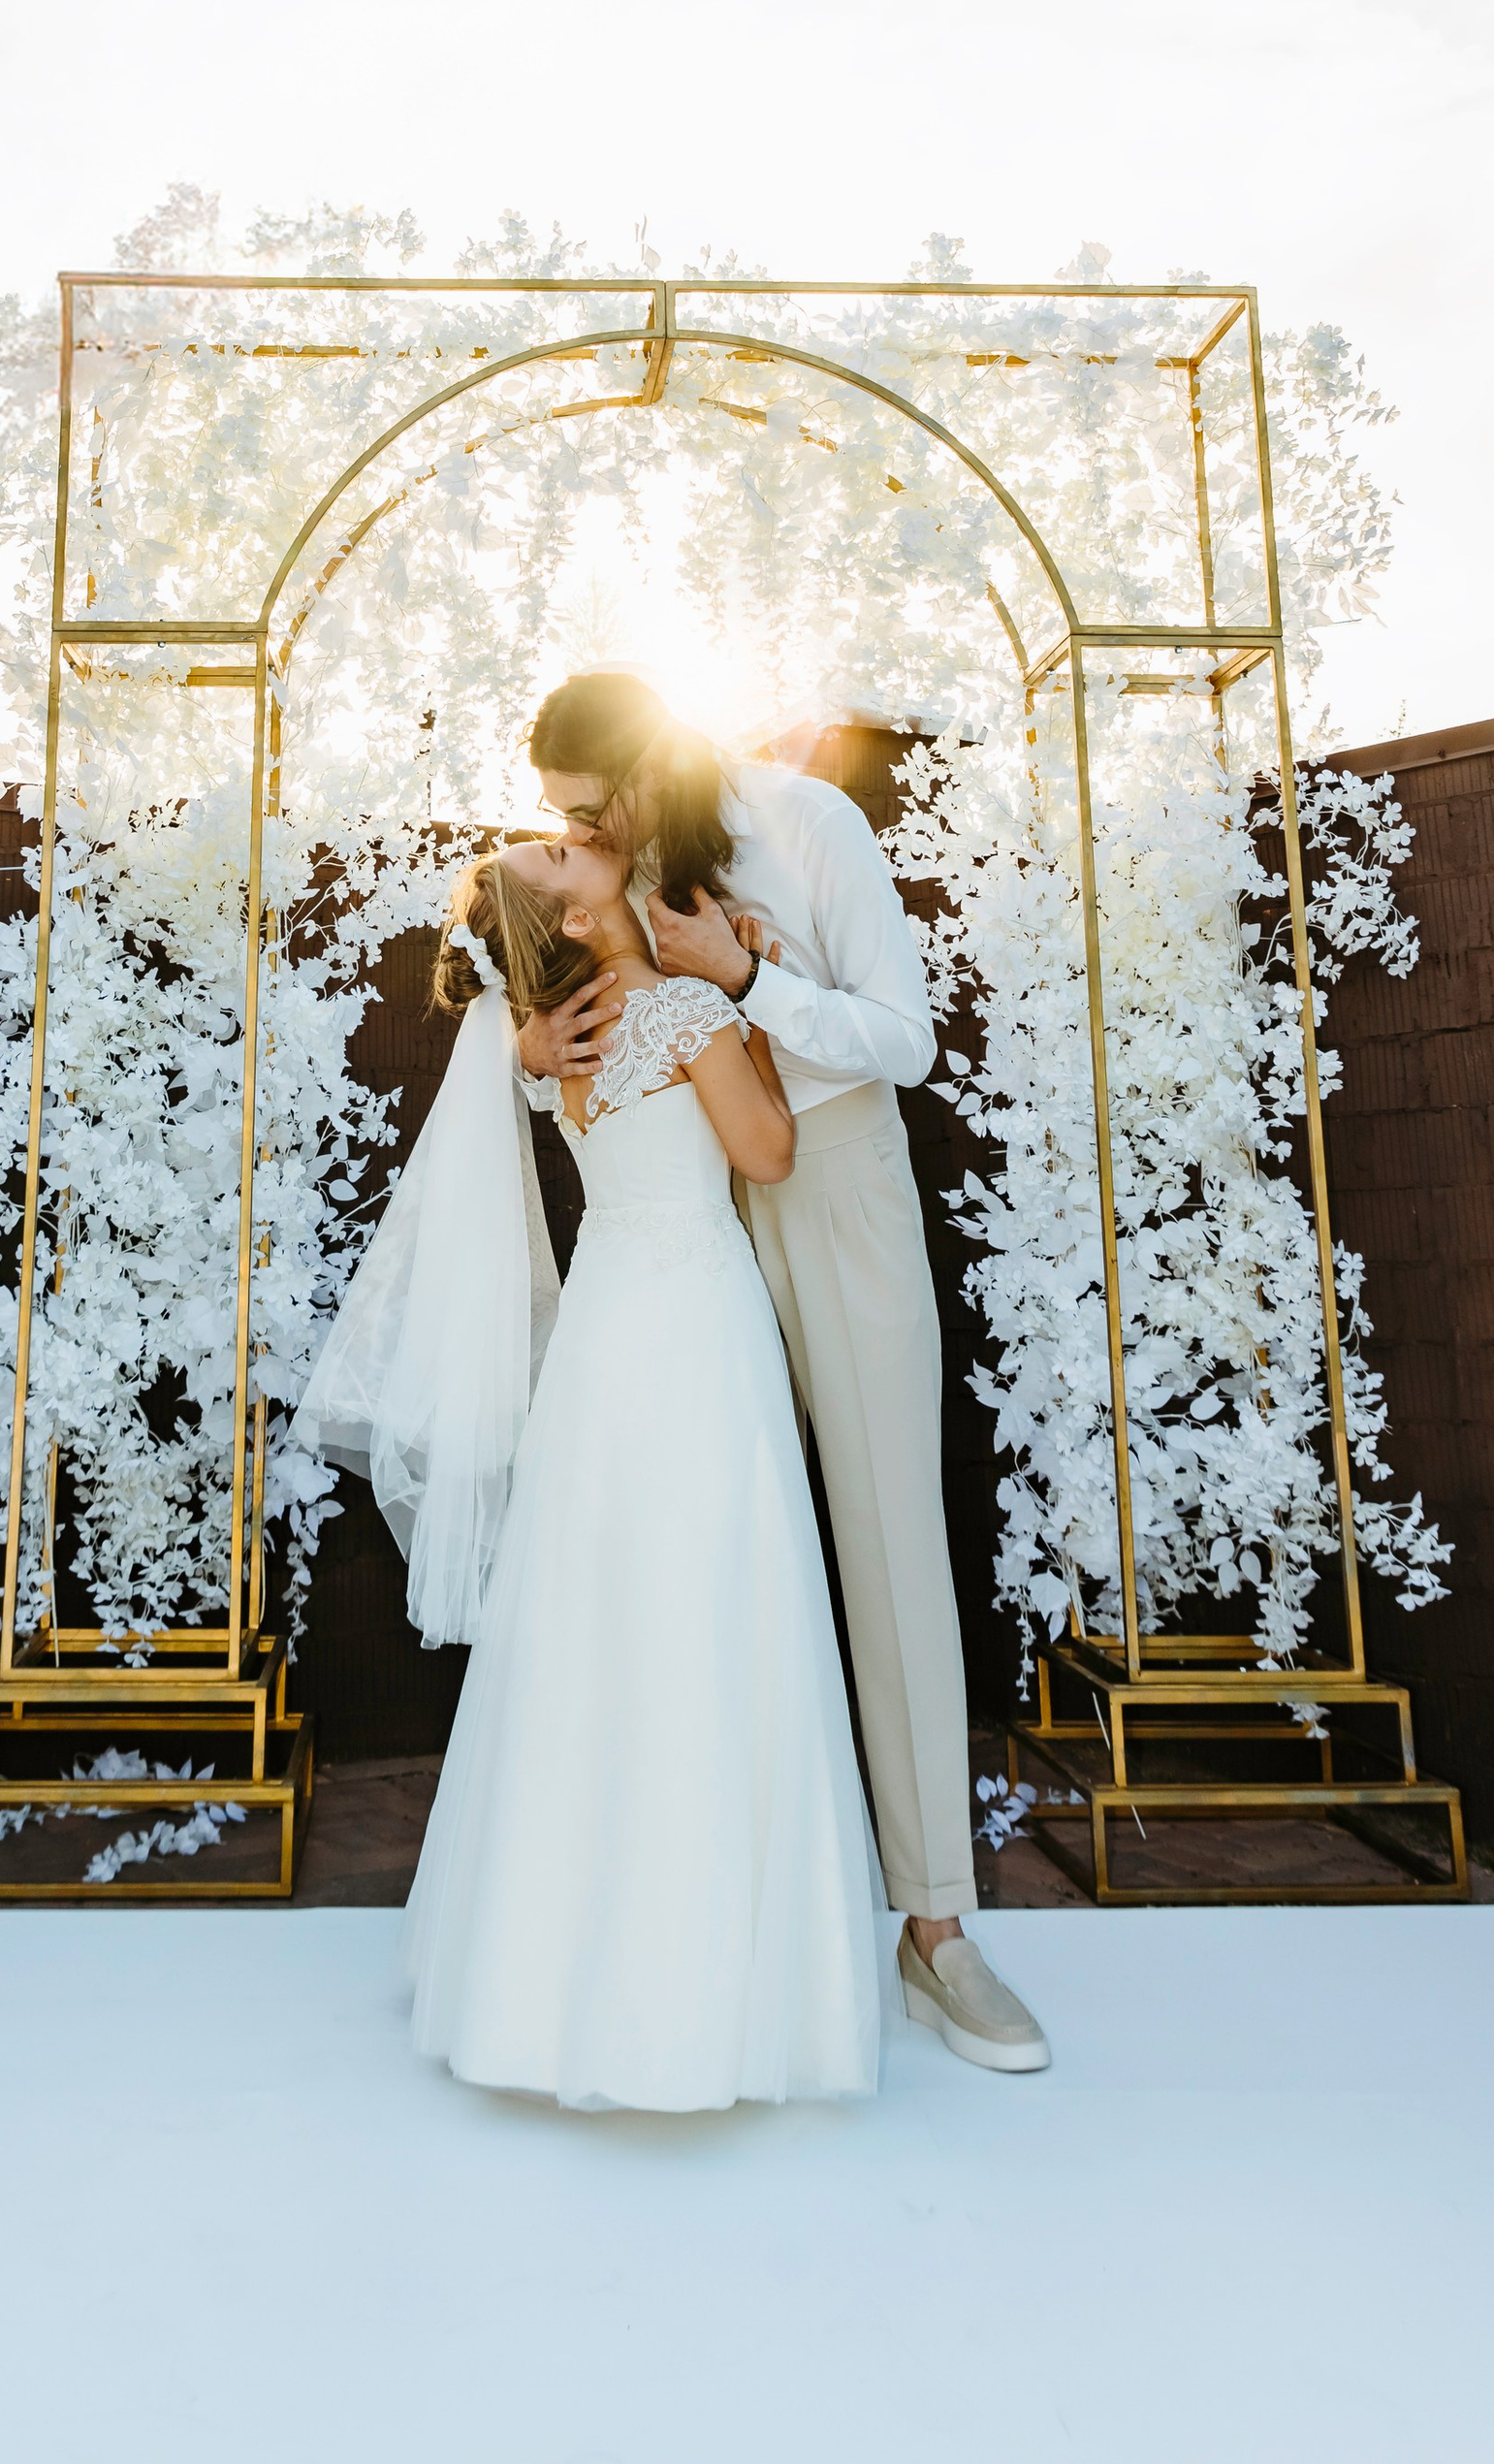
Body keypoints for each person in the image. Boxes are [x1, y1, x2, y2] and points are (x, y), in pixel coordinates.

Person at [295, 830, 884, 2112]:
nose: (586, 840)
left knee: (597, 1614)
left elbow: (534, 1080)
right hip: (694, 1321)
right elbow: (769, 1154)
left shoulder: (554, 1032)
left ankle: (546, 1980)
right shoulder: (675, 1007)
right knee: (712, 1601)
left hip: (610, 1329)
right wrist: (752, 1003)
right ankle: (718, 1983)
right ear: (568, 903)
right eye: (561, 850)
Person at [522, 669, 1051, 2076]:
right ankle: (713, 1920)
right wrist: (533, 1050)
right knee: (696, 1555)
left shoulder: (808, 821)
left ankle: (937, 1933)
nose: (570, 831)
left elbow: (906, 1040)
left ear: (634, 775)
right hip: (684, 1217)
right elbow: (590, 1044)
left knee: (886, 1542)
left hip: (833, 1181)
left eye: (582, 807)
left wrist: (750, 980)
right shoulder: (612, 872)